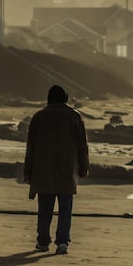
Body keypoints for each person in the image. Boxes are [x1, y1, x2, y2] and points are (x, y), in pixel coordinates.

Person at [24, 84, 90, 255]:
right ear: (65, 98)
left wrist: (28, 171)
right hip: (67, 169)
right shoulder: (74, 117)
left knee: (45, 207)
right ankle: (62, 242)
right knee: (65, 208)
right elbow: (82, 145)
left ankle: (43, 241)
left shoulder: (39, 117)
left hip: (43, 168)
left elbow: (30, 147)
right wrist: (83, 167)